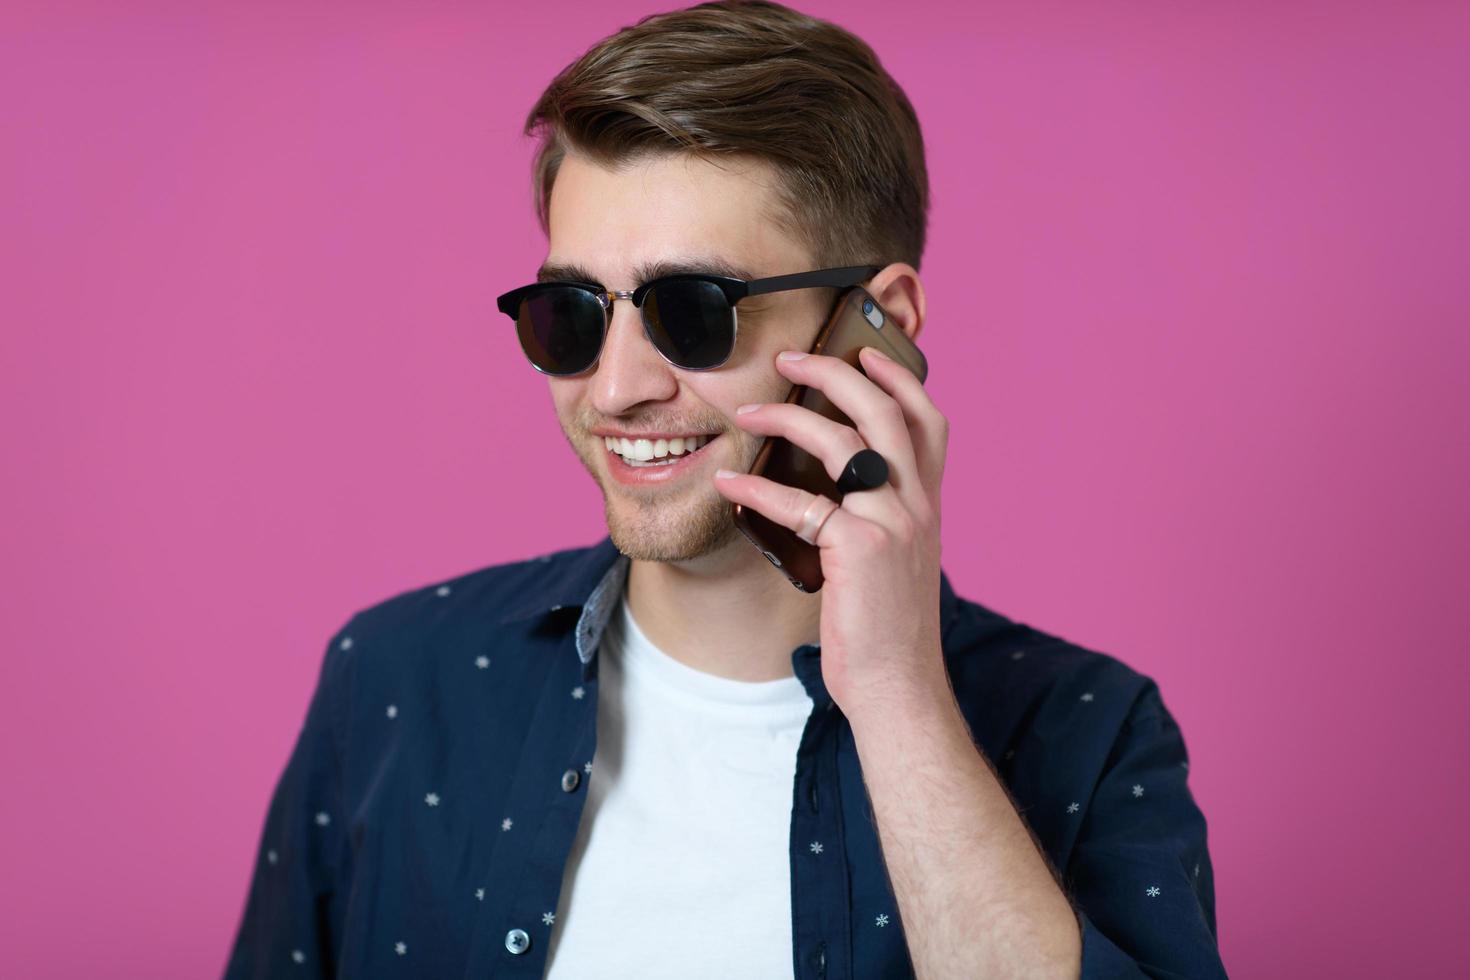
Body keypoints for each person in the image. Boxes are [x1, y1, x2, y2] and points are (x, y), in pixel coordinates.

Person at [223, 2, 1227, 977]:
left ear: (878, 327)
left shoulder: (1091, 732)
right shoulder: (396, 682)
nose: (615, 388)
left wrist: (897, 696)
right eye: (571, 314)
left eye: (693, 311)